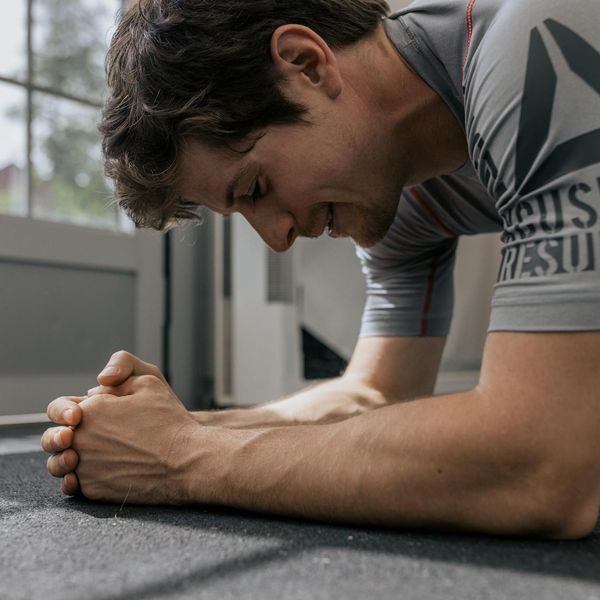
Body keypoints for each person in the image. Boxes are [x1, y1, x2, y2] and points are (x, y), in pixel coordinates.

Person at [42, 0, 600, 538]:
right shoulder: (398, 190)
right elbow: (376, 395)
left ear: (307, 64)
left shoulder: (531, 41)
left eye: (256, 188)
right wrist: (169, 428)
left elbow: (545, 461)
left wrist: (179, 458)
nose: (278, 239)